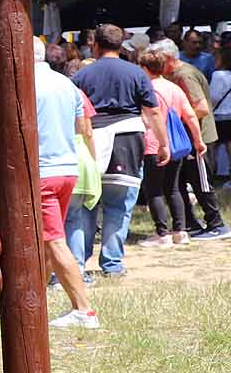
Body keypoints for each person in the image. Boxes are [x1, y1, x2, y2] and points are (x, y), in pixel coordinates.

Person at [71, 23, 168, 277]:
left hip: (90, 141)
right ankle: (112, 265)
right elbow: (154, 111)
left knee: (85, 205)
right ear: (121, 44)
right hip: (127, 141)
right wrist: (163, 143)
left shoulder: (82, 76)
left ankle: (79, 266)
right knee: (119, 205)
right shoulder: (136, 74)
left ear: (95, 45)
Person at [32, 41, 101, 330]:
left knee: (53, 241)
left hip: (43, 171)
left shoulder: (25, 84)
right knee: (49, 240)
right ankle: (34, 300)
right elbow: (79, 127)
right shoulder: (67, 84)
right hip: (67, 169)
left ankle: (83, 310)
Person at [162, 39, 227, 239]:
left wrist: (174, 120)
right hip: (187, 137)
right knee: (180, 180)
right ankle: (191, 223)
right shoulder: (176, 74)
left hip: (197, 137)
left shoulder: (184, 76)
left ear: (168, 58)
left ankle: (216, 224)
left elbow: (200, 108)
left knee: (201, 182)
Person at [136, 47, 199, 248]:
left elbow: (145, 119)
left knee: (153, 190)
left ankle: (162, 233)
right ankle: (180, 231)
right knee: (173, 189)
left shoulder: (146, 90)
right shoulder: (174, 88)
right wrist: (198, 140)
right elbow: (189, 115)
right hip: (176, 145)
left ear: (145, 68)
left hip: (153, 145)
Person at [210, 43, 231, 181]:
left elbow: (214, 96)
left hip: (219, 116)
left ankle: (210, 175)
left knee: (211, 147)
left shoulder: (218, 75)